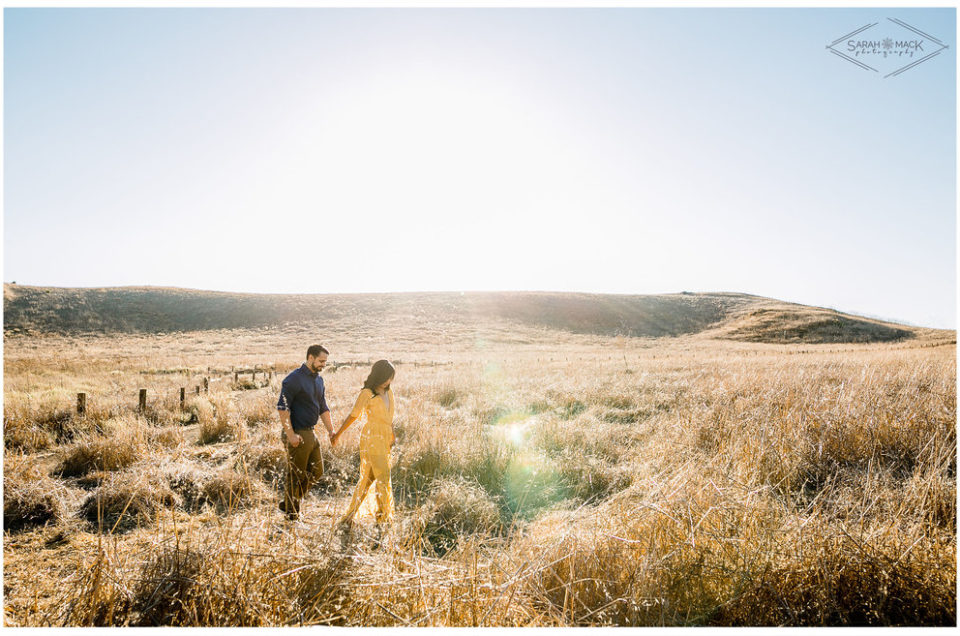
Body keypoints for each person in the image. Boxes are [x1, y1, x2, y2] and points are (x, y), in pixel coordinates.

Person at [332, 359, 396, 526]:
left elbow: (390, 418)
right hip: (372, 438)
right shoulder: (367, 393)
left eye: (391, 378)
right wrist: (338, 433)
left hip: (384, 437)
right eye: (387, 377)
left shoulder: (389, 393)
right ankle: (382, 516)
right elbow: (354, 415)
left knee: (369, 478)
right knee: (381, 476)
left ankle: (350, 515)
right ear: (379, 375)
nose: (389, 381)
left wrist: (392, 435)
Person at [276, 344, 335, 520]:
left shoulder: (319, 380)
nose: (323, 365)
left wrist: (331, 430)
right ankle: (292, 514)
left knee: (317, 472)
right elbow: (282, 408)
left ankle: (288, 503)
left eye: (325, 362)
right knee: (295, 475)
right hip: (297, 432)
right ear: (310, 357)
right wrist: (290, 434)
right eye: (321, 361)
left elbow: (323, 407)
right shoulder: (293, 379)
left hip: (311, 432)